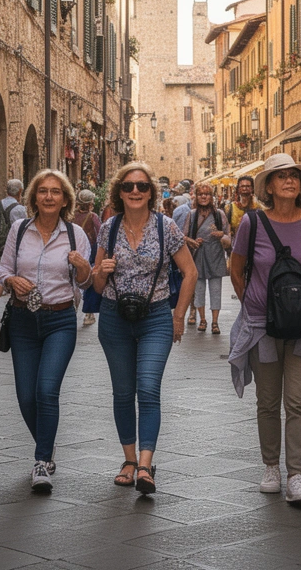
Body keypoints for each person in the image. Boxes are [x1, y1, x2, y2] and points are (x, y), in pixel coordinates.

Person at [227, 153, 301, 506]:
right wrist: (253, 304)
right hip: (262, 326)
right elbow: (235, 269)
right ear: (269, 186)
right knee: (268, 402)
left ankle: (296, 475)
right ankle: (271, 466)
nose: (289, 181)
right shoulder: (251, 224)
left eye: (294, 176)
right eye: (281, 176)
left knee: (298, 401)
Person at [91, 162, 198, 494]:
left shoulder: (167, 228)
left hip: (155, 317)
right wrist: (101, 272)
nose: (135, 191)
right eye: (128, 187)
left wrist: (178, 316)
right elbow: (95, 286)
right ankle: (128, 459)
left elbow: (190, 272)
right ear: (119, 193)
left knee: (148, 389)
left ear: (151, 192)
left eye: (141, 186)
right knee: (123, 392)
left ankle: (146, 465)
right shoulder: (108, 228)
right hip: (113, 316)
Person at [0, 170, 93, 493]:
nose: (49, 197)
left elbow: (85, 282)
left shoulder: (76, 234)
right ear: (34, 197)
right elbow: (2, 270)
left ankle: (41, 461)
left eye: (55, 192)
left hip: (60, 320)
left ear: (65, 198)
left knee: (46, 391)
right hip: (23, 321)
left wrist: (83, 267)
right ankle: (47, 445)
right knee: (26, 396)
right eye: (43, 191)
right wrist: (11, 281)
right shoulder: (19, 230)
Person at [182, 183, 231, 333]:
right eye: (201, 194)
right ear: (196, 196)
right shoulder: (192, 214)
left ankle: (215, 322)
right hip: (198, 256)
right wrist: (193, 242)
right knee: (199, 289)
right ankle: (202, 319)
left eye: (207, 194)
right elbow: (183, 237)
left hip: (215, 255)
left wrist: (221, 235)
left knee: (216, 290)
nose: (204, 196)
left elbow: (229, 237)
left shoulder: (219, 215)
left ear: (211, 197)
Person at [0, 180, 28, 323]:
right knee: (18, 274)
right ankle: (17, 306)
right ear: (20, 192)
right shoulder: (20, 209)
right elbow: (23, 231)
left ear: (7, 191)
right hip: (15, 248)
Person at [72, 189, 103, 326]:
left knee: (72, 279)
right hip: (89, 251)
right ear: (91, 203)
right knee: (88, 280)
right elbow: (100, 235)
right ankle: (88, 314)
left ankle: (72, 307)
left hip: (72, 250)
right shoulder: (93, 217)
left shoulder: (71, 215)